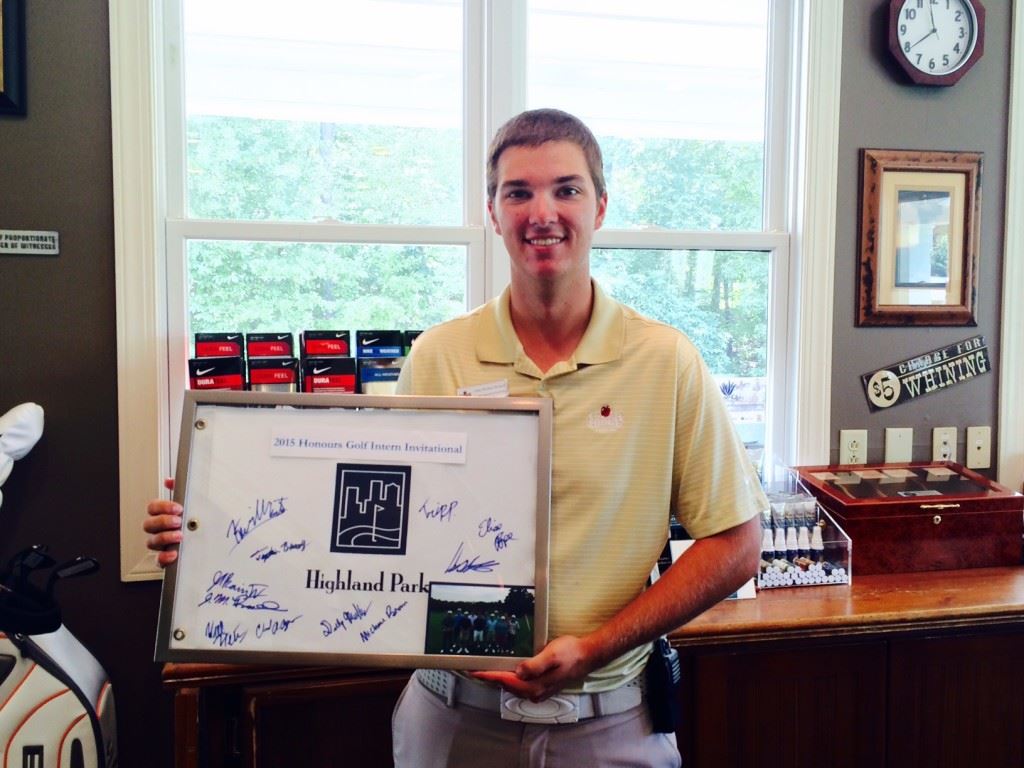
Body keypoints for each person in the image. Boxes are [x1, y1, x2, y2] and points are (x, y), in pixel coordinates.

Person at [144, 109, 766, 768]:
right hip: (454, 721)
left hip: (610, 725)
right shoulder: (440, 356)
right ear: (493, 213)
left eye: (567, 188)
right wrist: (215, 528)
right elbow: (369, 513)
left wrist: (598, 645)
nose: (542, 211)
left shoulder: (665, 360)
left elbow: (736, 544)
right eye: (518, 192)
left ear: (601, 206)